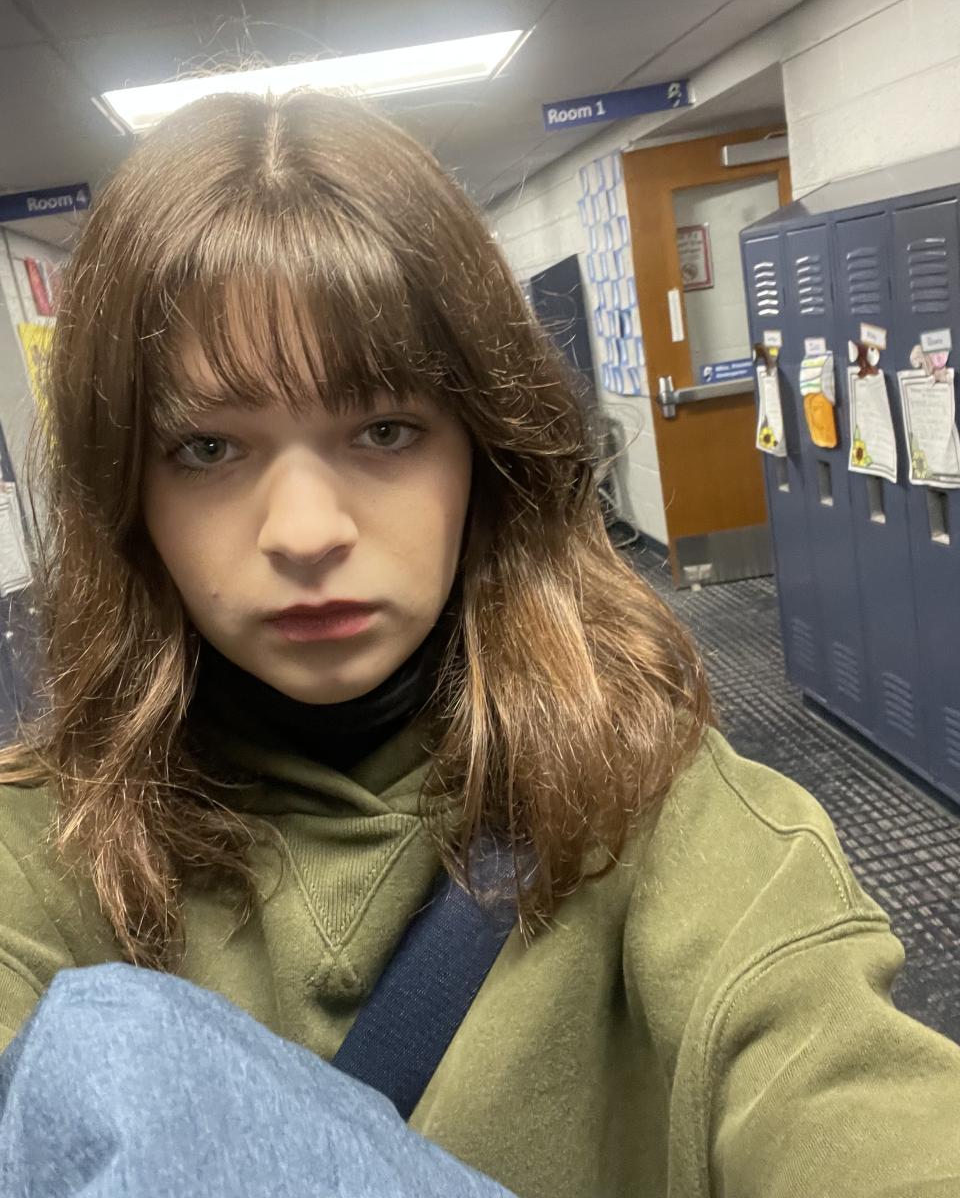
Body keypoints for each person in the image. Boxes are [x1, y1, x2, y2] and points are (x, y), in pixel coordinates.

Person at [0, 90, 958, 1198]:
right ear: (127, 495)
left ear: (485, 456)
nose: (304, 532)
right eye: (208, 448)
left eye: (385, 430)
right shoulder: (45, 852)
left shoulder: (657, 809)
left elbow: (842, 1088)